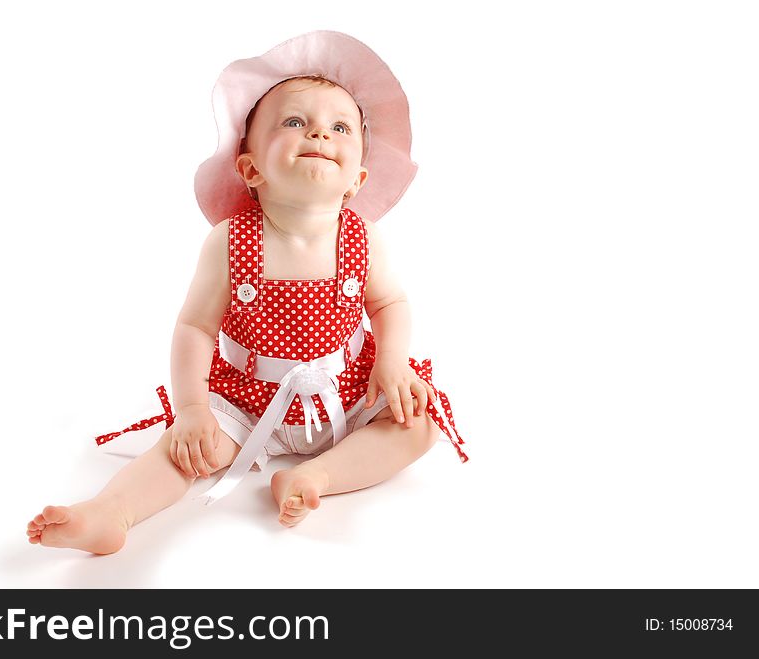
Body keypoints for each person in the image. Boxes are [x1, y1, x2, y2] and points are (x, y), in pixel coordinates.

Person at [26, 31, 467, 555]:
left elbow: (390, 303)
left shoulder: (362, 238)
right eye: (295, 121)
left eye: (340, 126)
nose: (320, 134)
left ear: (356, 180)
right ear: (251, 168)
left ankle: (317, 477)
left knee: (418, 426)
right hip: (247, 401)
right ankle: (110, 513)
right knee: (185, 449)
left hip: (345, 394)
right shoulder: (231, 241)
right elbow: (195, 326)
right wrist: (192, 409)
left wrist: (391, 361)